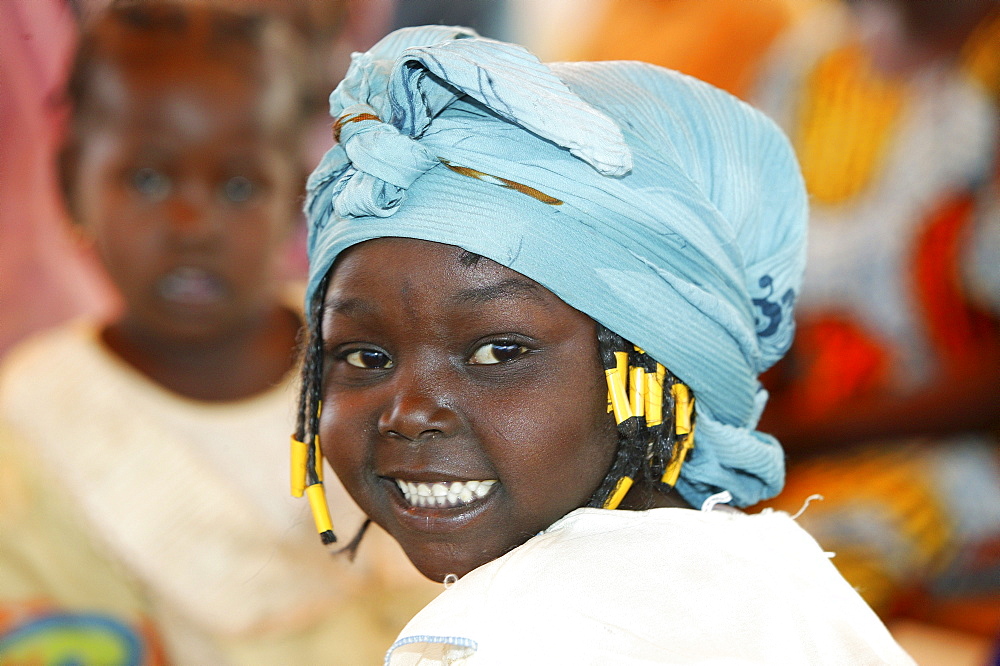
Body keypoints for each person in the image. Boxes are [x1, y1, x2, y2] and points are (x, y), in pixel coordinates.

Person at [290, 25, 916, 664]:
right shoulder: (791, 582)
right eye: (366, 357)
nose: (410, 412)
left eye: (498, 353)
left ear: (653, 362)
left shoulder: (501, 632)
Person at [0, 4, 436, 664]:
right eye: (148, 178)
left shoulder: (376, 356)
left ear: (296, 192)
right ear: (70, 184)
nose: (193, 224)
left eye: (238, 186)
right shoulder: (35, 422)